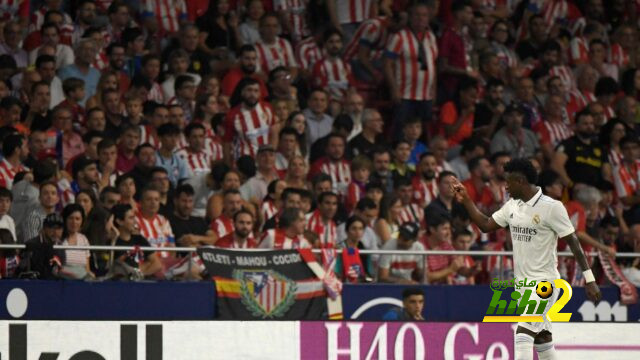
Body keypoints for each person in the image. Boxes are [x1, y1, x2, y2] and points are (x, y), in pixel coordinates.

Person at [452, 158, 601, 360]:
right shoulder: (512, 206)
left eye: (509, 182)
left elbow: (574, 242)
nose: (505, 186)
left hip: (545, 283)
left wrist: (590, 279)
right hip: (523, 286)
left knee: (523, 332)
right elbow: (486, 225)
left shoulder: (552, 207)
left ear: (521, 181)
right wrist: (467, 200)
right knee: (542, 338)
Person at [110, 203, 163, 279]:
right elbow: (121, 269)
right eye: (131, 218)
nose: (135, 221)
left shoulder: (139, 238)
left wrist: (139, 275)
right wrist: (146, 265)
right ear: (119, 221)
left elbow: (157, 264)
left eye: (134, 217)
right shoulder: (114, 241)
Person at [21, 213, 64, 279]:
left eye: (59, 228)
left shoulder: (61, 246)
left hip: (55, 283)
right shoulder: (32, 244)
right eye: (51, 227)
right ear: (44, 228)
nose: (55, 231)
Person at [58, 203, 94, 279]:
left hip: (82, 280)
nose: (74, 222)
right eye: (71, 218)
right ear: (65, 219)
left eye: (77, 219)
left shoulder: (84, 239)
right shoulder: (58, 239)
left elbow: (87, 268)